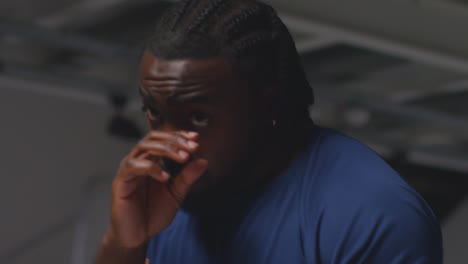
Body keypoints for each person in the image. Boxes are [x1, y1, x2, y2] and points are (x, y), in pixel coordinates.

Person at [95, 0, 443, 263]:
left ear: (268, 105)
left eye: (198, 117)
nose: (167, 147)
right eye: (154, 112)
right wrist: (124, 243)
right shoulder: (169, 200)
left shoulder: (370, 215)